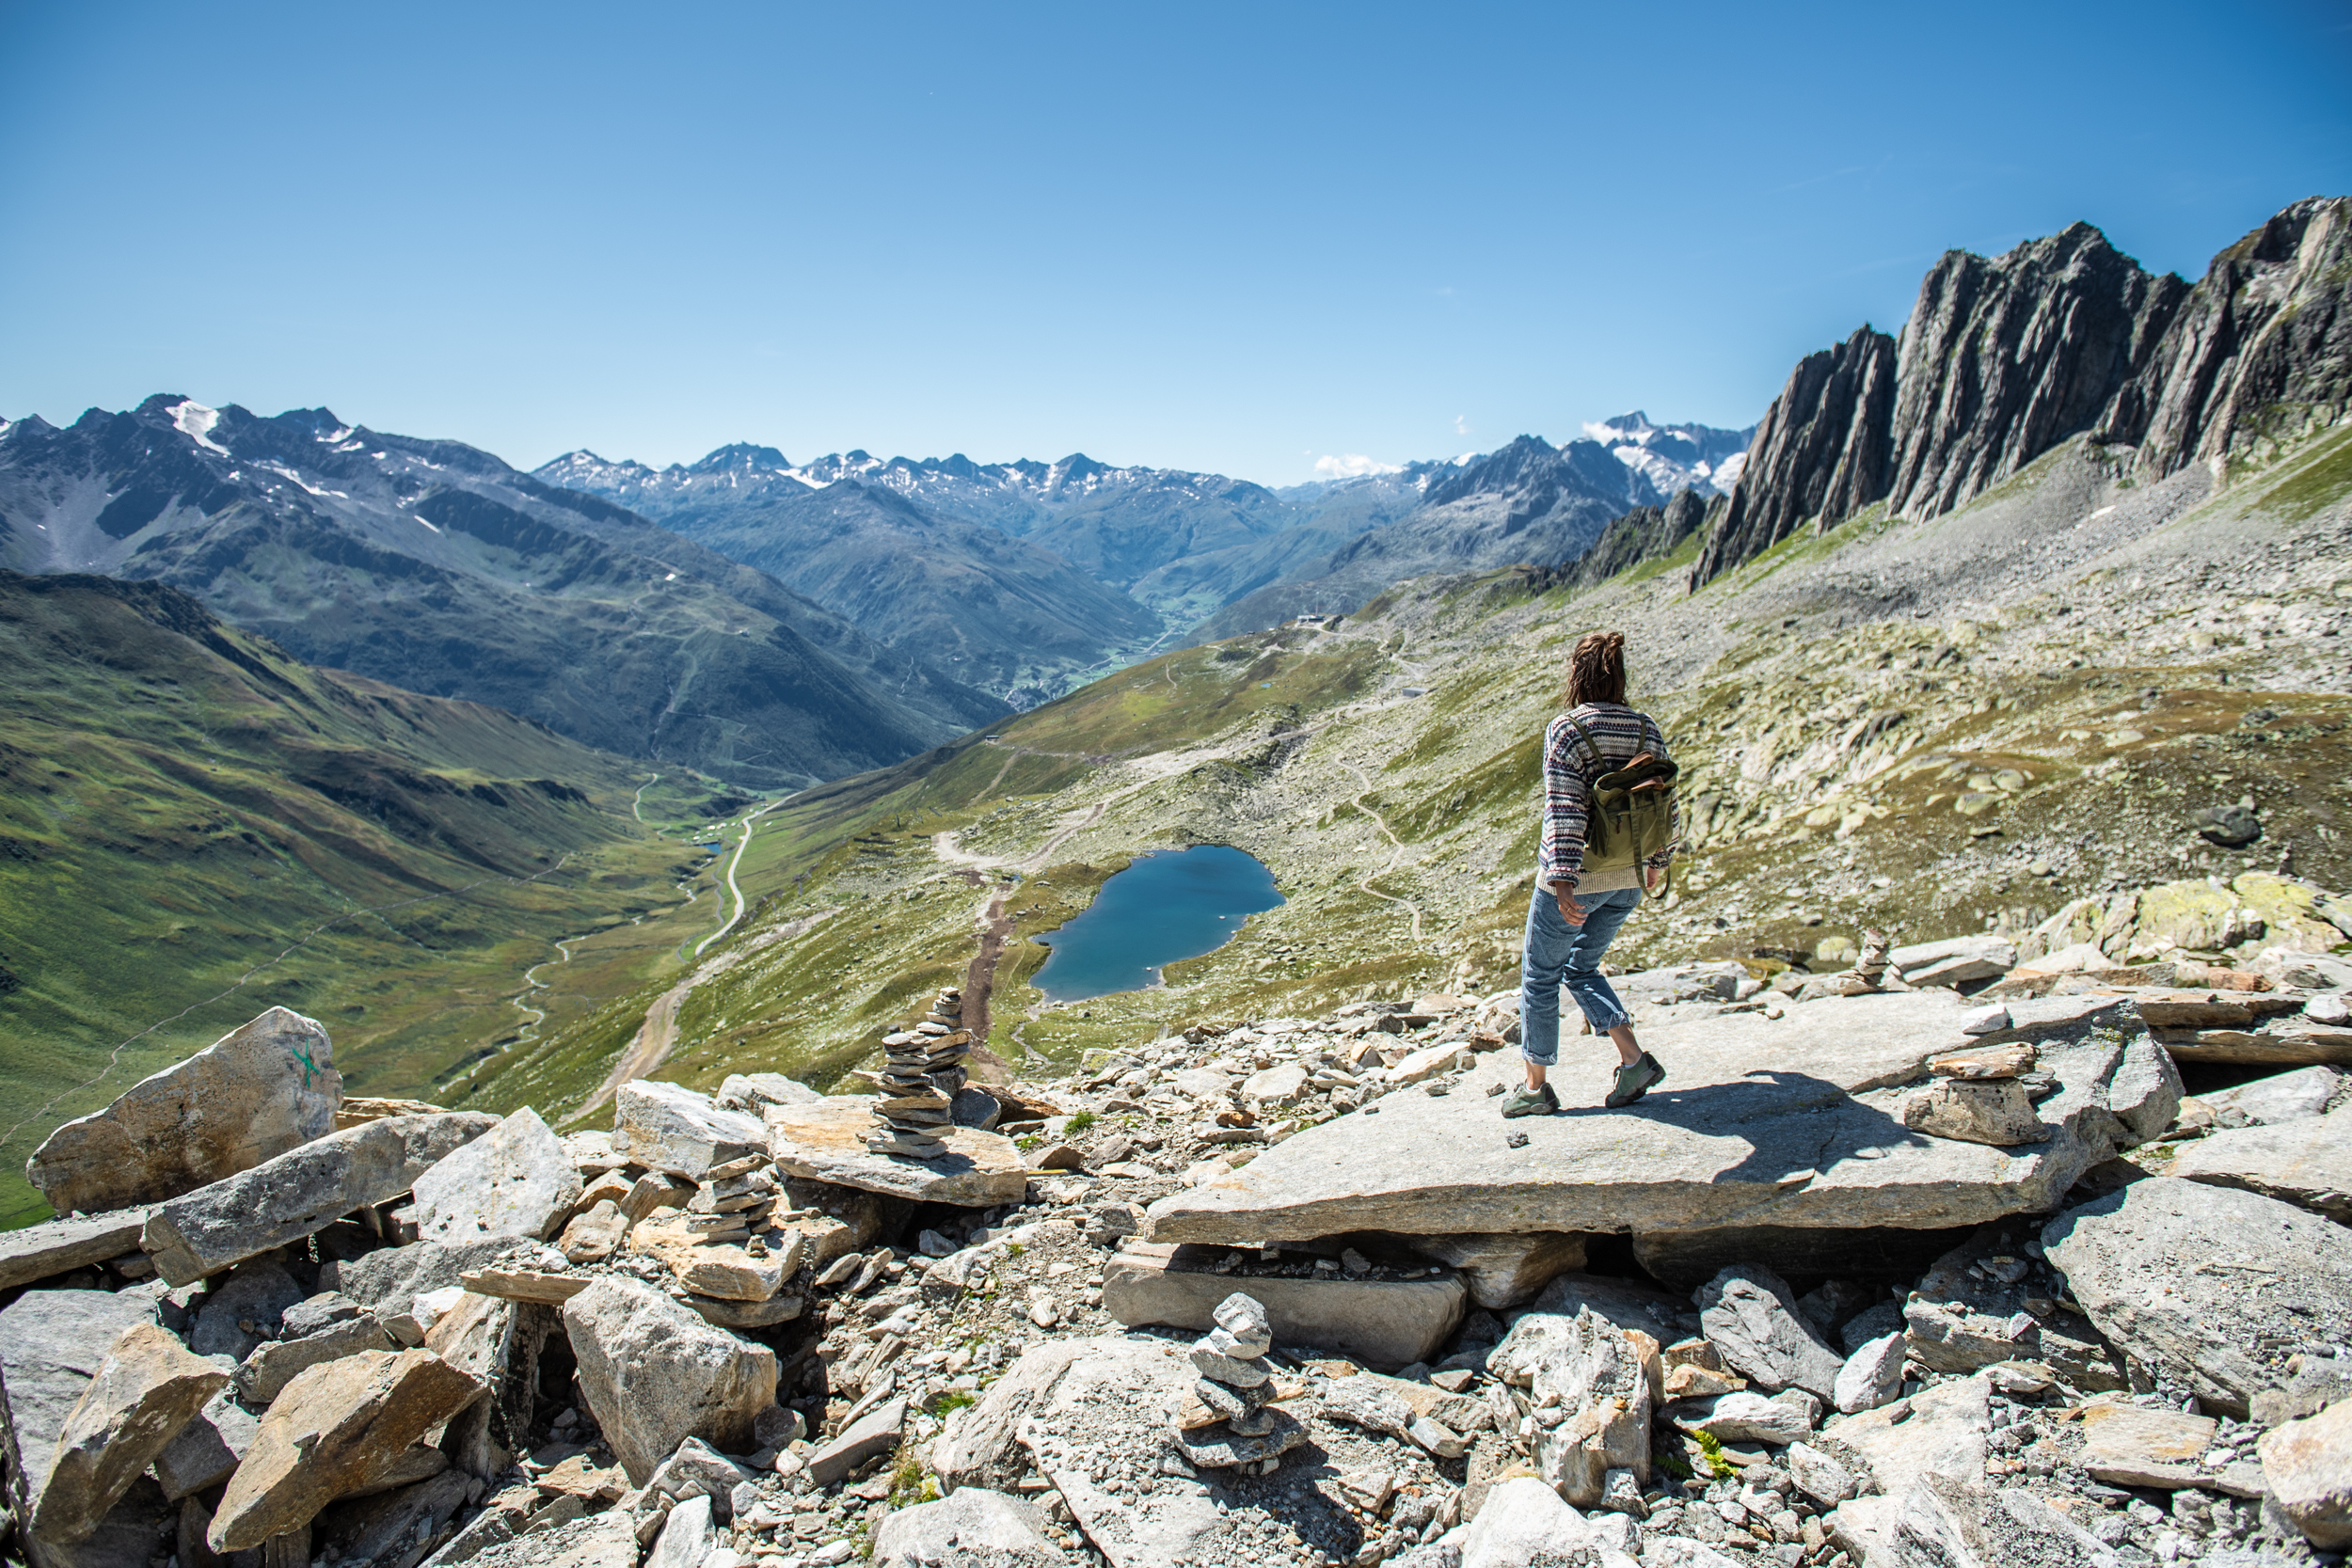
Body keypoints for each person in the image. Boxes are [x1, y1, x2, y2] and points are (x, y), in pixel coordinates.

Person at [1501, 629, 1677, 1118]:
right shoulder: (1645, 729)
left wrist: (1562, 881)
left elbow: (1564, 809)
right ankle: (1634, 1062)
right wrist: (1658, 862)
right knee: (1581, 967)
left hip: (1579, 880)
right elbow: (1664, 803)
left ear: (1577, 676)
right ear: (1619, 676)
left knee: (1540, 976)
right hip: (1629, 876)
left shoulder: (1567, 730)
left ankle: (1535, 1088)